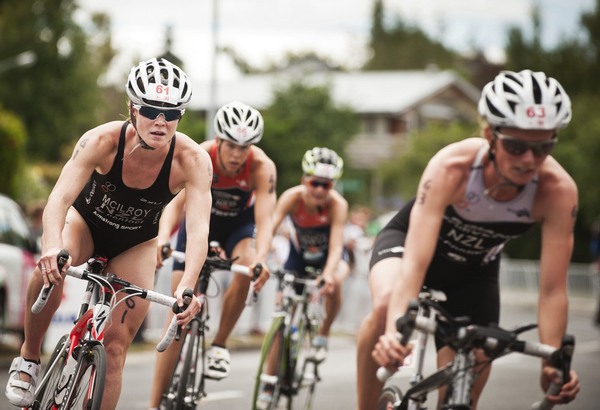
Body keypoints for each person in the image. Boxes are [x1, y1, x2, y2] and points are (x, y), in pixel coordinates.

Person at [355, 69, 581, 410]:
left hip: (474, 272)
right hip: (411, 247)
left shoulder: (558, 192)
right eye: (516, 146)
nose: (529, 160)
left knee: (474, 366)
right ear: (490, 135)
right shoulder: (452, 167)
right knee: (387, 305)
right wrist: (393, 331)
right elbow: (415, 264)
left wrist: (549, 362)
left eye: (543, 147)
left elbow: (552, 290)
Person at [5, 58, 212, 409]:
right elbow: (60, 198)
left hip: (137, 243)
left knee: (115, 349)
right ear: (132, 107)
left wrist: (188, 284)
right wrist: (51, 244)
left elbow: (198, 228)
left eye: (172, 113)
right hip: (86, 226)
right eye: (150, 109)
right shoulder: (101, 141)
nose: (160, 122)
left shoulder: (192, 160)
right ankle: (28, 358)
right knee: (50, 269)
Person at [148, 101, 276, 410]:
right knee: (175, 318)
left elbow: (266, 218)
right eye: (231, 145)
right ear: (218, 140)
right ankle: (153, 405)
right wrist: (163, 238)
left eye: (244, 147)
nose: (237, 154)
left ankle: (219, 343)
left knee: (247, 265)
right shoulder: (200, 154)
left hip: (237, 228)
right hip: (198, 226)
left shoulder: (262, 167)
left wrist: (262, 257)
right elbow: (174, 205)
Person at [257, 147, 349, 407]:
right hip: (297, 260)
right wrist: (261, 258)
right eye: (315, 183)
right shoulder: (291, 198)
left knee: (337, 281)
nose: (319, 189)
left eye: (326, 185)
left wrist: (328, 274)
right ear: (304, 180)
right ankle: (268, 381)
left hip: (327, 259)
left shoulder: (337, 205)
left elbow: (337, 247)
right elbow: (270, 228)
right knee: (281, 316)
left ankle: (324, 334)